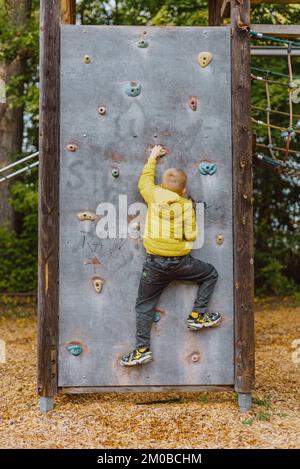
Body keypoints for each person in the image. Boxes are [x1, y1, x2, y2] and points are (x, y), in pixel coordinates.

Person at [120, 145, 221, 366]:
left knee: (144, 305)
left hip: (154, 265)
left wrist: (152, 158)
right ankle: (197, 316)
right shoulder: (186, 206)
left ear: (161, 185)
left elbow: (143, 182)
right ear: (184, 191)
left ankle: (142, 350)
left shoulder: (153, 193)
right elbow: (191, 234)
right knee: (210, 274)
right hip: (181, 263)